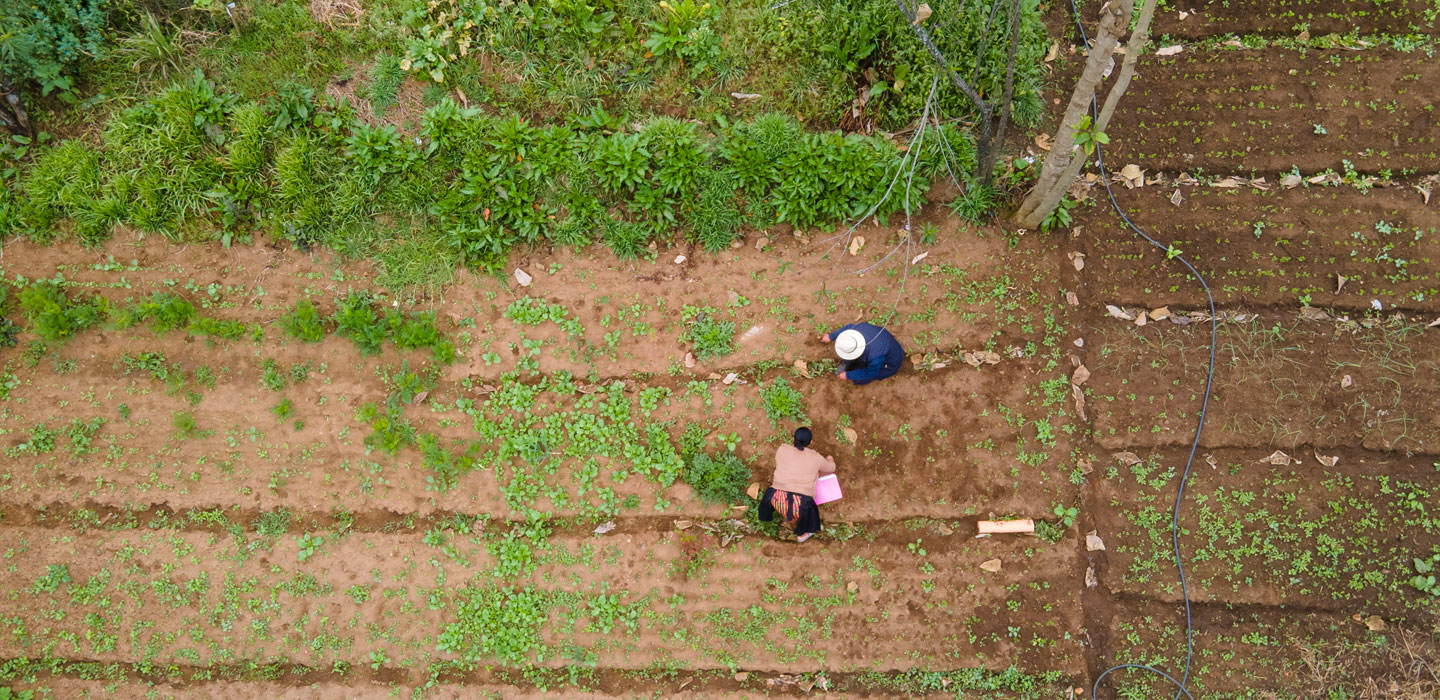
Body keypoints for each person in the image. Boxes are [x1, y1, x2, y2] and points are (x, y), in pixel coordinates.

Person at [759, 427, 835, 543]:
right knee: (808, 513)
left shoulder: (782, 449)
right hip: (800, 505)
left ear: (794, 439)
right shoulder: (816, 458)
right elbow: (831, 468)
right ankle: (804, 533)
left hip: (776, 498)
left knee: (791, 506)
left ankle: (789, 517)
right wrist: (830, 460)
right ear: (811, 442)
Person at [821, 322, 904, 385]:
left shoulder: (875, 358)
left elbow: (870, 373)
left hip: (890, 363)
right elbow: (847, 329)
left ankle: (850, 367)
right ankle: (846, 364)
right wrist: (830, 337)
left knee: (859, 380)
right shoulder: (856, 329)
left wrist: (848, 375)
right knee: (850, 354)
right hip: (884, 343)